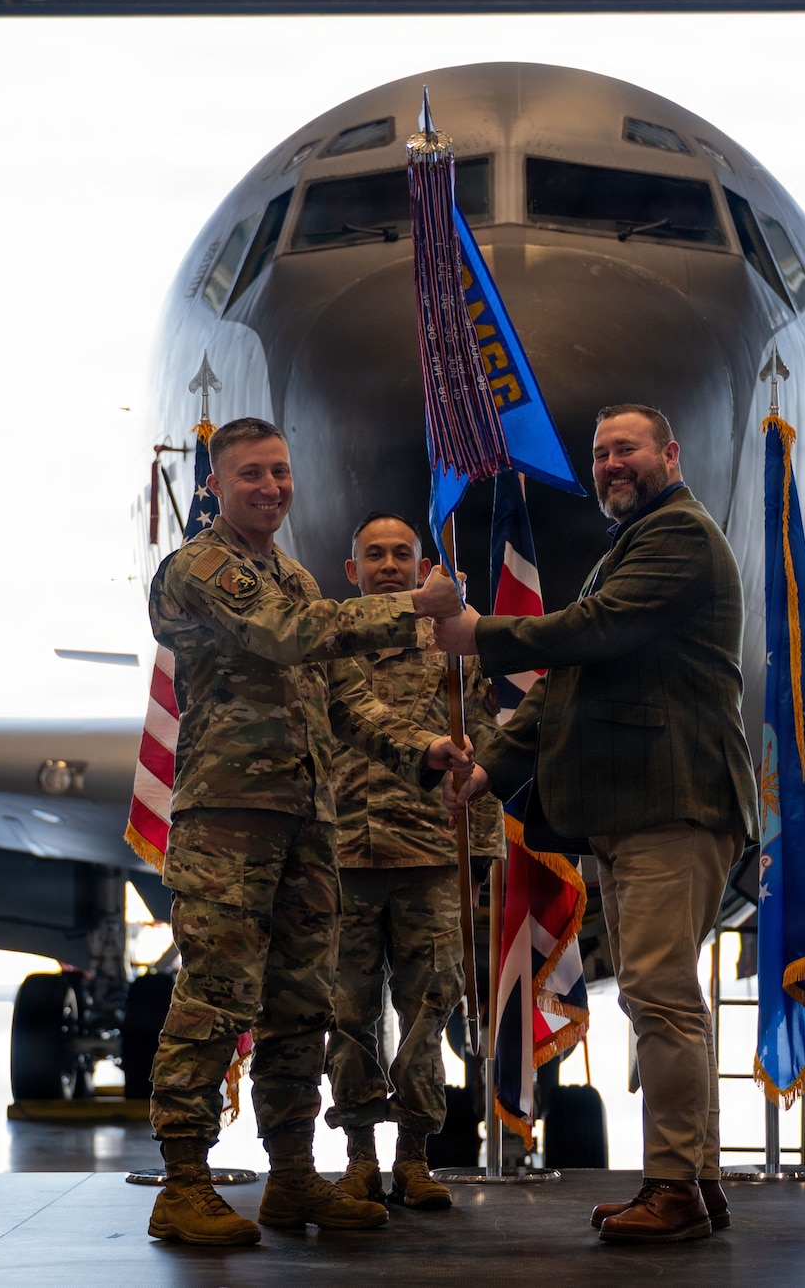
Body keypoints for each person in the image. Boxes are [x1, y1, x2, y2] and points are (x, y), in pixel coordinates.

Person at [145, 416, 473, 1248]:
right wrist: (415, 606)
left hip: (305, 822)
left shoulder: (290, 574)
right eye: (251, 473)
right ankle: (183, 1181)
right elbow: (287, 634)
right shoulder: (200, 567)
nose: (271, 487)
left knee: (300, 1005)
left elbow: (344, 700)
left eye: (281, 472)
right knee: (217, 994)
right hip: (227, 819)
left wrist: (424, 750)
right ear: (217, 485)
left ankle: (292, 1176)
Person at [436, 404, 758, 1246]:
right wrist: (490, 770)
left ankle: (674, 1187)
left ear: (670, 454)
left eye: (629, 448)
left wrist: (477, 634)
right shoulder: (631, 546)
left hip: (671, 804)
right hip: (637, 807)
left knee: (659, 996)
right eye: (602, 452)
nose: (613, 463)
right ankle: (697, 1181)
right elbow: (566, 683)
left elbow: (595, 630)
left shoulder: (678, 536)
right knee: (667, 997)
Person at [324, 511, 504, 1212]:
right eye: (375, 555)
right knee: (347, 1014)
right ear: (353, 570)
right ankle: (360, 1157)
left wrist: (479, 853)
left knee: (430, 1010)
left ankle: (416, 1157)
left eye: (403, 554)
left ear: (424, 566)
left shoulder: (453, 645)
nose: (390, 566)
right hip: (345, 858)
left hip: (432, 857)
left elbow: (483, 749)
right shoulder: (329, 643)